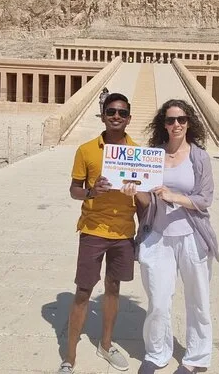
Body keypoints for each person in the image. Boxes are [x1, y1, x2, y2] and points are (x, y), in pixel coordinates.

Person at [122, 99, 219, 374]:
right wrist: (134, 192)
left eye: (181, 119)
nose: (176, 124)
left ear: (189, 123)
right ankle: (156, 353)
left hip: (192, 236)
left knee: (198, 299)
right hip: (158, 235)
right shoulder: (153, 155)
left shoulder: (199, 157)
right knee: (158, 300)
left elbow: (205, 199)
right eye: (170, 120)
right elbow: (147, 200)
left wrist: (174, 196)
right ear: (163, 124)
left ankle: (196, 357)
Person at [59, 93, 137, 374]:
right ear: (103, 115)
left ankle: (106, 344)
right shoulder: (87, 150)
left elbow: (144, 197)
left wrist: (138, 192)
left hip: (123, 231)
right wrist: (92, 192)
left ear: (129, 118)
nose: (116, 116)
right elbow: (74, 190)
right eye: (111, 111)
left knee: (114, 288)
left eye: (122, 113)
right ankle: (69, 356)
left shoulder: (138, 153)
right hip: (93, 229)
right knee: (83, 290)